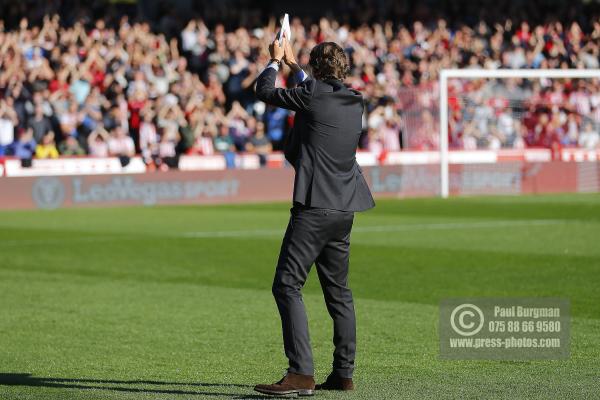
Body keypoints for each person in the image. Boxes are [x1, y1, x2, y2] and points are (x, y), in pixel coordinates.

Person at [253, 37, 375, 397]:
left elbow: (264, 91)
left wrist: (275, 62)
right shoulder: (355, 100)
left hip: (314, 208)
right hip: (345, 208)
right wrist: (296, 66)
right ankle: (343, 374)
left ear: (317, 69)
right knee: (339, 294)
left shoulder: (311, 95)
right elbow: (318, 90)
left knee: (287, 285)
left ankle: (301, 373)